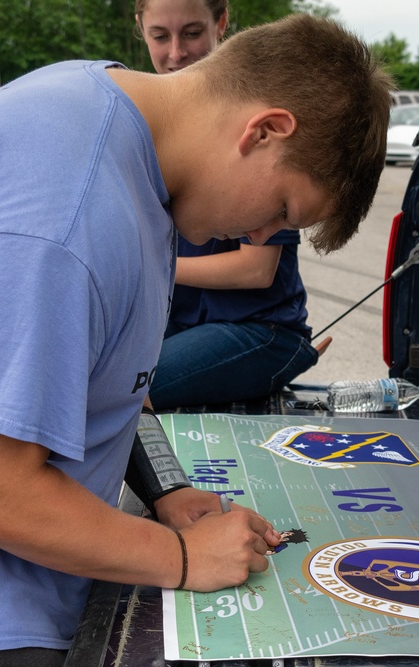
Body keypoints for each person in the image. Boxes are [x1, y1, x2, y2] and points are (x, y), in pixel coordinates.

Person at [0, 14, 392, 665]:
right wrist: (181, 557)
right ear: (264, 131)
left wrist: (167, 487)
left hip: (16, 565)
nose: (266, 237)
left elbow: (119, 383)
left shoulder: (118, 128)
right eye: (283, 211)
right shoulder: (66, 213)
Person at [134, 0, 329, 410]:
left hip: (257, 327)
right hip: (181, 321)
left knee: (123, 394)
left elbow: (257, 268)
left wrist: (152, 265)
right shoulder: (143, 124)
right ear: (140, 28)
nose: (175, 53)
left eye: (191, 33)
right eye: (159, 36)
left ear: (221, 23)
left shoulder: (260, 120)